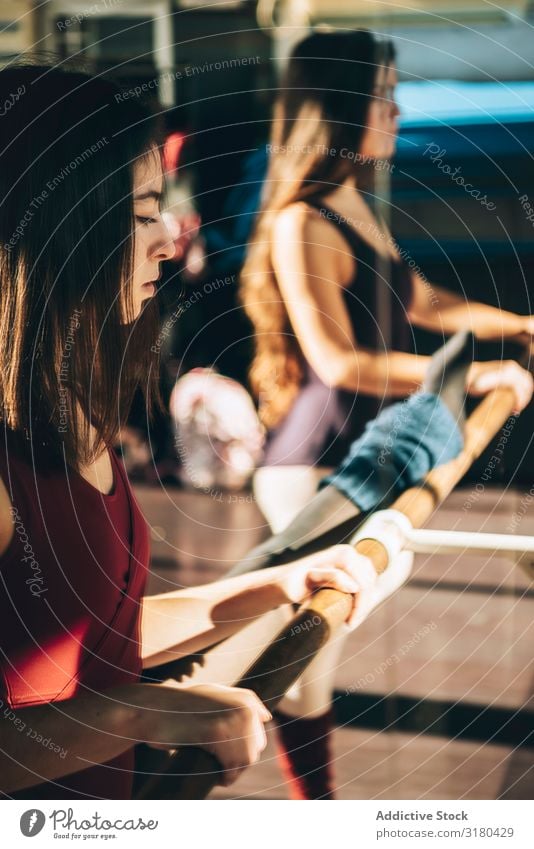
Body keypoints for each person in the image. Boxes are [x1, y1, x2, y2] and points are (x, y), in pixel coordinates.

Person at [0, 61, 373, 800]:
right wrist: (147, 712)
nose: (169, 244)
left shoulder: (77, 415)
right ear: (62, 230)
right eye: (142, 215)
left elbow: (104, 637)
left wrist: (274, 585)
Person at [238, 30, 534, 798]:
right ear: (342, 108)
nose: (398, 111)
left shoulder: (353, 204)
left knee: (315, 655)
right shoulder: (302, 221)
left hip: (361, 456)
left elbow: (426, 301)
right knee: (307, 665)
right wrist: (472, 378)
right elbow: (336, 362)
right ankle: (317, 811)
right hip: (314, 467)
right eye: (383, 97)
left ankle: (318, 810)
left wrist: (516, 328)